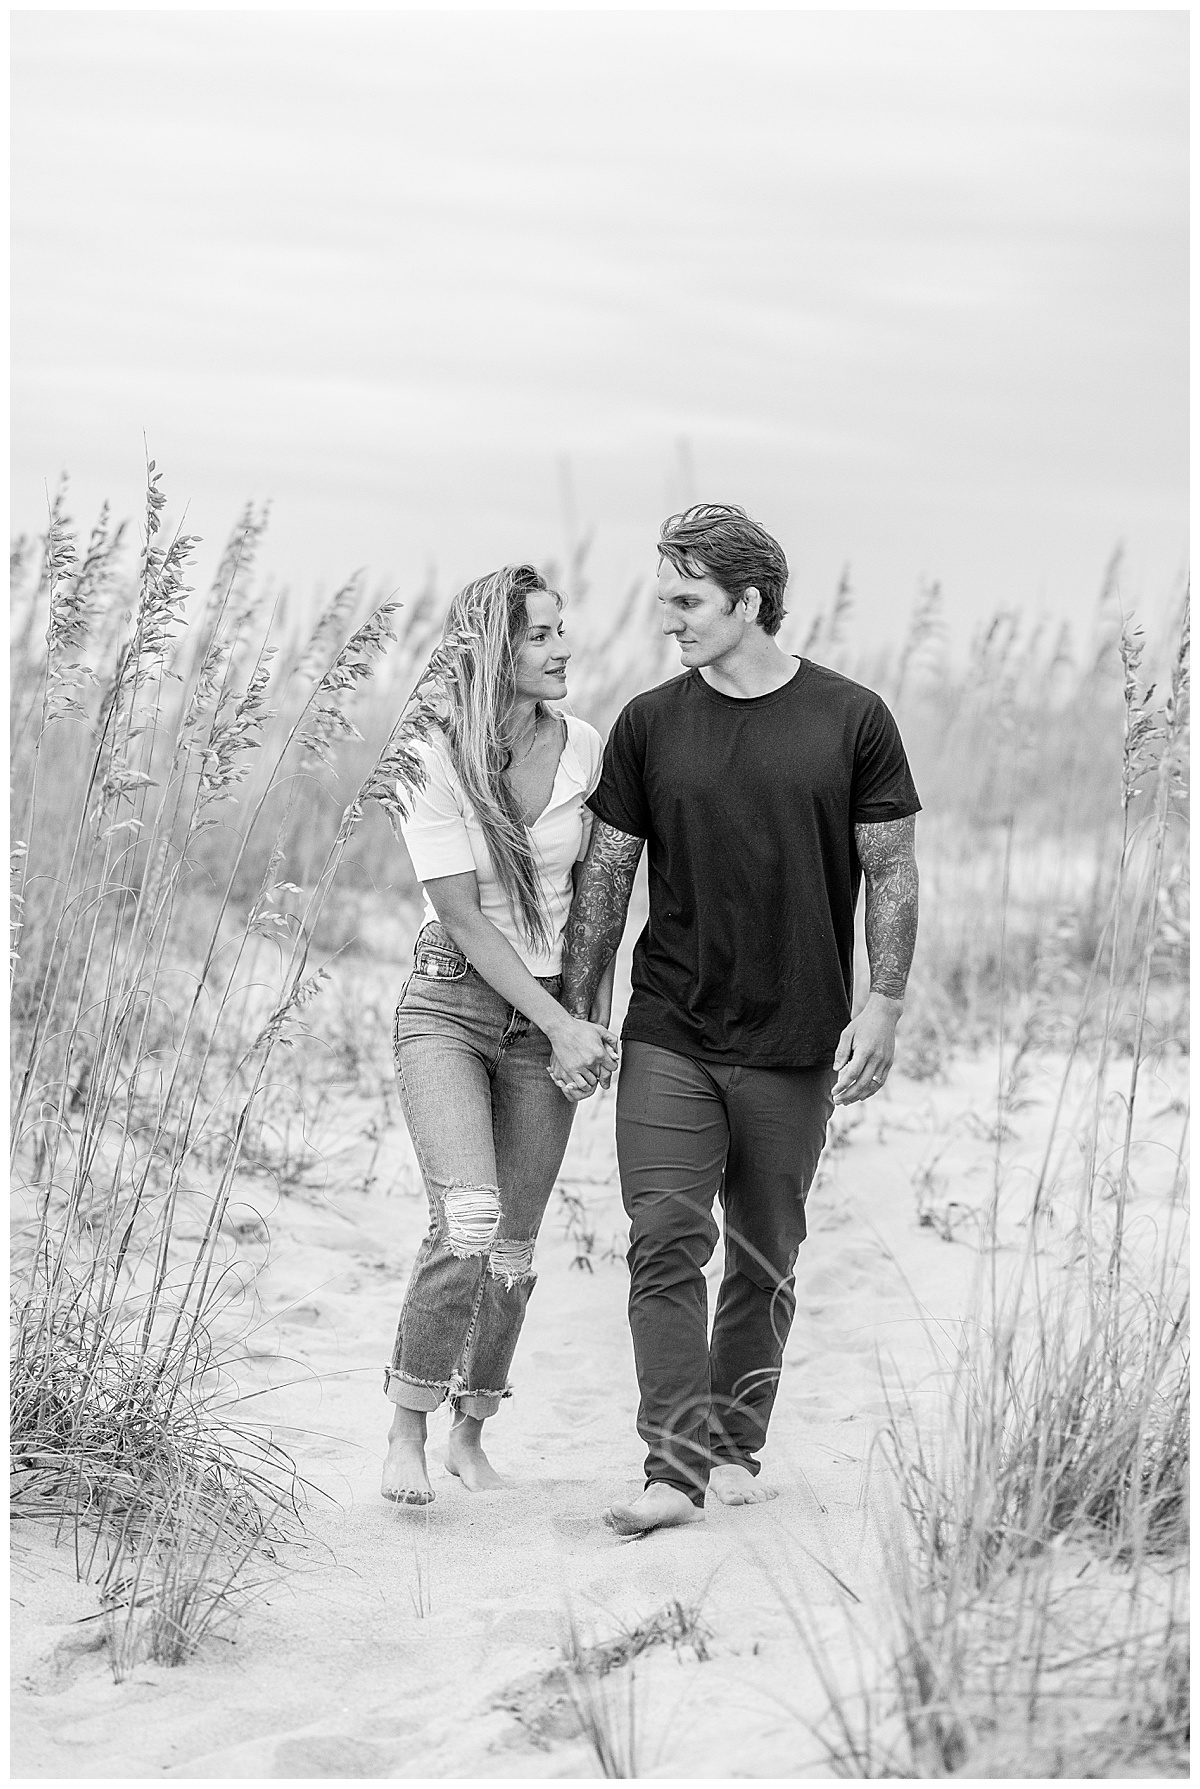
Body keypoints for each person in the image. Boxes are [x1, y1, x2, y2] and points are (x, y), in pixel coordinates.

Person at [552, 503, 921, 1534]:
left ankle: (731, 1443)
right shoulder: (651, 722)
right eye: (664, 595)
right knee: (665, 1236)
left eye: (686, 599)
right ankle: (672, 1469)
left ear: (748, 601)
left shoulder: (852, 718)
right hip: (671, 1026)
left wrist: (883, 1002)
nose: (666, 616)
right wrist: (580, 1009)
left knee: (764, 1254)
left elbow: (890, 871)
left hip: (800, 1033)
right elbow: (606, 882)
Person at [381, 563, 618, 1506]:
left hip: (552, 1014)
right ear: (492, 648)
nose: (562, 648)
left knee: (515, 1244)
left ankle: (470, 1430)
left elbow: (603, 896)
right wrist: (566, 1026)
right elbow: (467, 920)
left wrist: (585, 1019)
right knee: (469, 1217)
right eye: (539, 635)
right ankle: (406, 1421)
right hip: (450, 1005)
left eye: (562, 630)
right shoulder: (432, 752)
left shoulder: (587, 749)